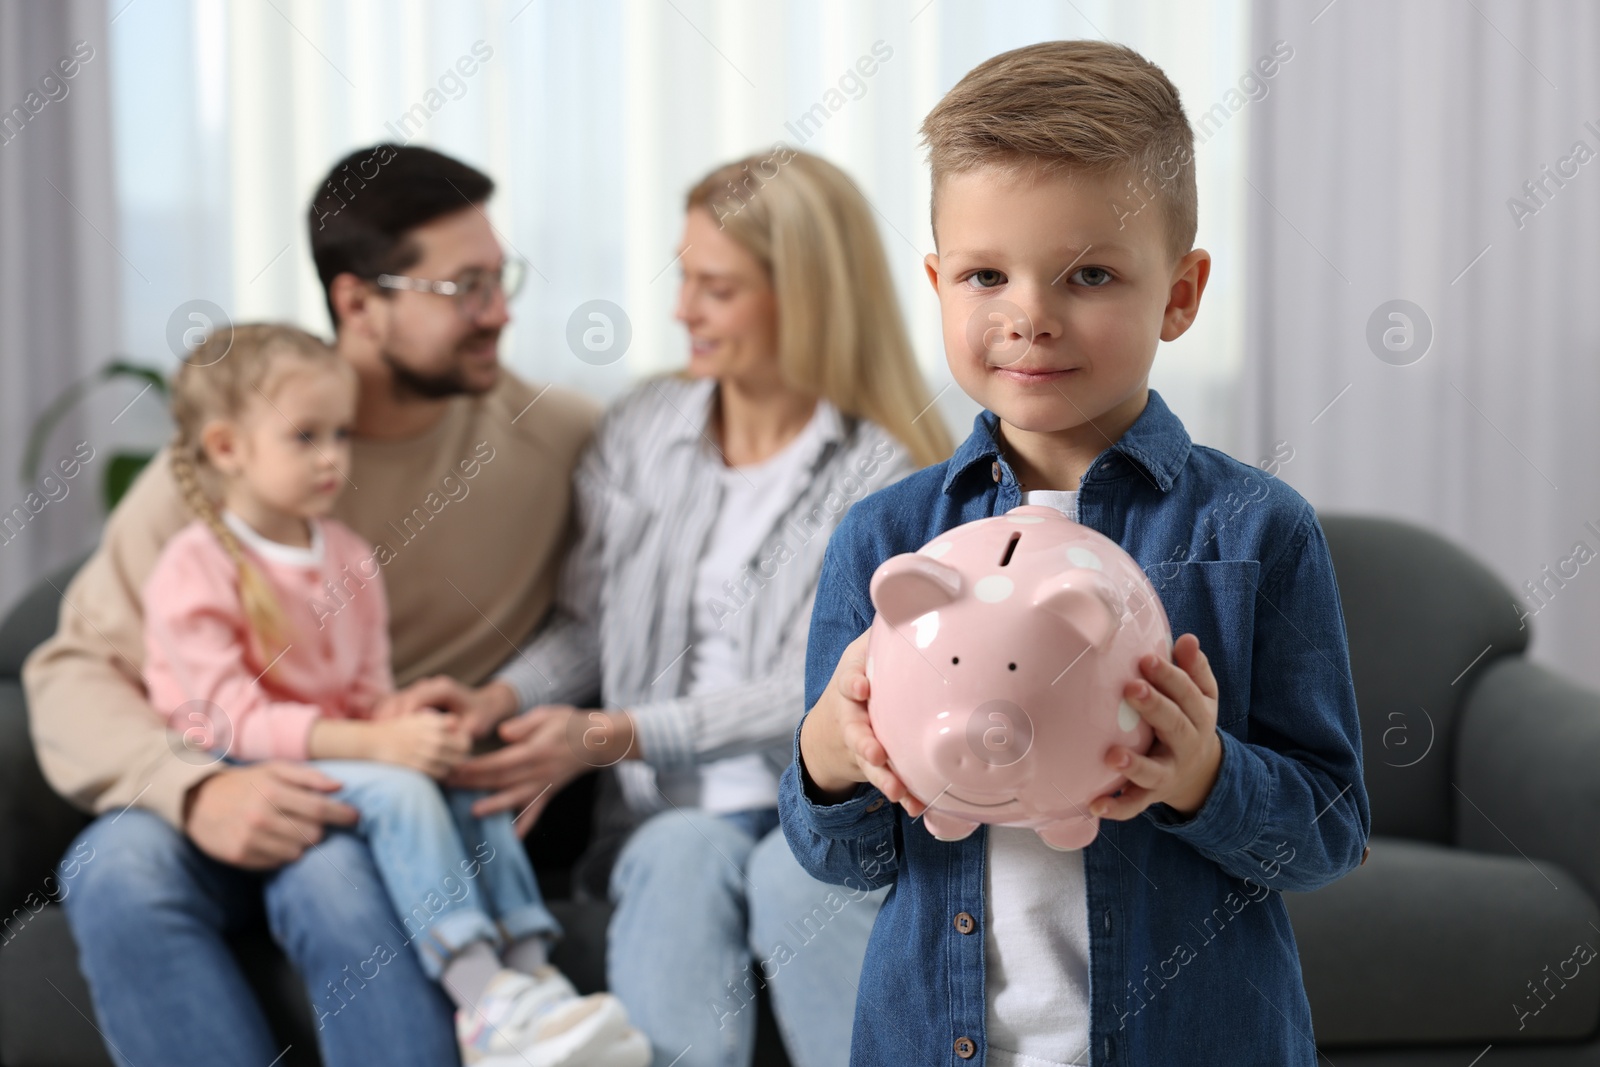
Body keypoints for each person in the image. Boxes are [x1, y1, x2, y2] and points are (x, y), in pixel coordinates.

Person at [783, 40, 1371, 1067]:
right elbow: (839, 857)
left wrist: (1204, 774)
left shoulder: (1256, 530)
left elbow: (1327, 833)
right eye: (984, 274)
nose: (1029, 316)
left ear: (1180, 294)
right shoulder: (883, 539)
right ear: (936, 283)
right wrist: (830, 762)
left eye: (1087, 273)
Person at [23, 144, 600, 1066]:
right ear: (357, 302)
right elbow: (68, 669)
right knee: (112, 866)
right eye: (464, 288)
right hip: (223, 769)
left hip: (380, 787)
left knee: (332, 878)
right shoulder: (227, 473)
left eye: (503, 278)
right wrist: (198, 788)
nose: (501, 311)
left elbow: (617, 595)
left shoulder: (555, 438)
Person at [447, 149, 954, 1067]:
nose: (682, 309)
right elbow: (586, 626)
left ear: (803, 295)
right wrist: (502, 699)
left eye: (714, 287)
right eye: (685, 277)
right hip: (660, 820)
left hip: (829, 806)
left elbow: (827, 683)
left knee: (792, 877)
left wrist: (618, 733)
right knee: (679, 850)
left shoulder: (891, 475)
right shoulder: (642, 429)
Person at [139, 322, 648, 1066]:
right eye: (305, 436)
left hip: (340, 752)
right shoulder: (196, 565)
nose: (331, 457)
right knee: (406, 793)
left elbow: (365, 691)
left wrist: (401, 721)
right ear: (226, 448)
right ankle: (481, 1002)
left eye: (340, 435)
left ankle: (531, 978)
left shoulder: (345, 554)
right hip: (244, 765)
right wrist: (373, 744)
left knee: (467, 782)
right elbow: (229, 717)